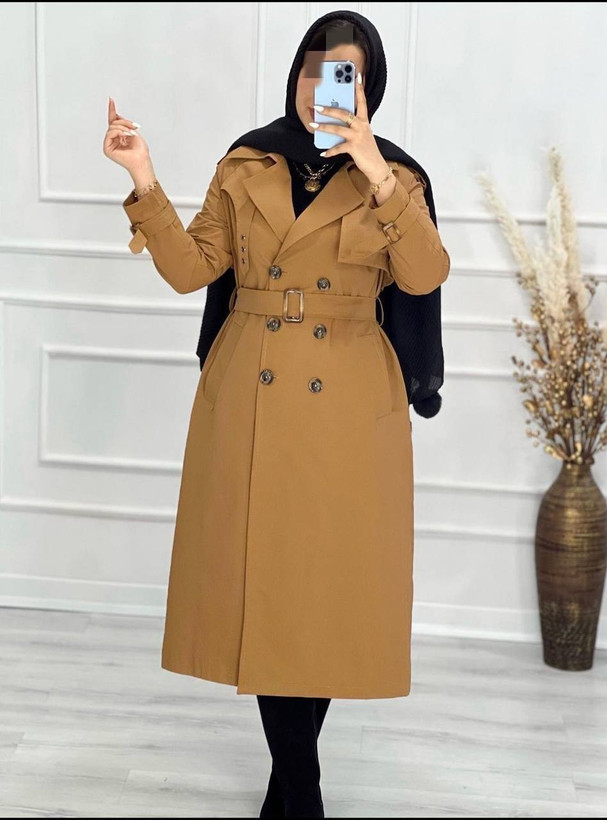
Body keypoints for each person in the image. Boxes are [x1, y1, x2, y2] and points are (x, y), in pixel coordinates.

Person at [103, 9, 450, 818]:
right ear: (295, 75)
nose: (321, 88)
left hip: (349, 407)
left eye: (343, 74)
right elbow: (192, 269)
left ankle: (290, 789)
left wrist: (374, 169)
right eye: (312, 70)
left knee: (315, 597)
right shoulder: (246, 162)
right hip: (249, 395)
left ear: (368, 88)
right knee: (268, 591)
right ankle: (301, 792)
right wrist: (143, 179)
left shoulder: (397, 179)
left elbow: (426, 273)